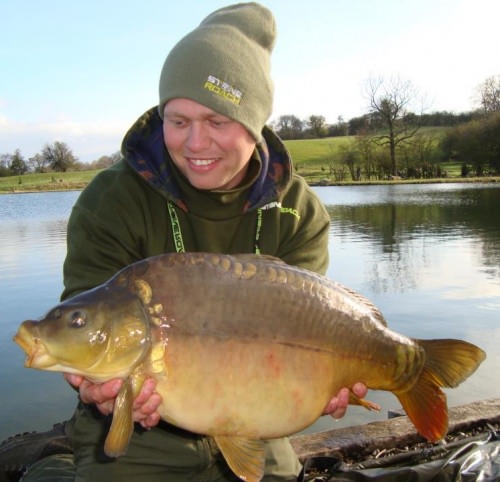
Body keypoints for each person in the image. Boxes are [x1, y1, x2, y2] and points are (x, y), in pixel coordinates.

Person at [22, 2, 367, 481]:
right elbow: (90, 327)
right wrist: (94, 390)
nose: (195, 143)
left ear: (253, 123)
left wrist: (327, 383)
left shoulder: (298, 211)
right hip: (138, 438)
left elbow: (309, 335)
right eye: (178, 120)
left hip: (258, 418)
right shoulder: (111, 201)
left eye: (218, 122)